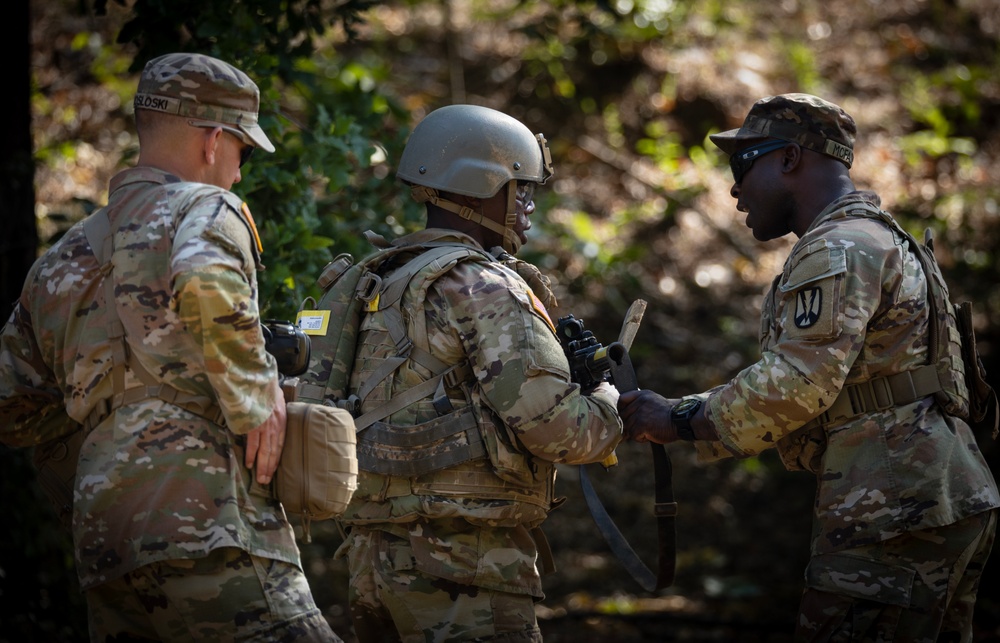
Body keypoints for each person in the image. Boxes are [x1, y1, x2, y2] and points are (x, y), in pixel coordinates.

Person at [618, 93, 999, 640]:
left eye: (741, 166)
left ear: (790, 159)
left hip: (892, 504)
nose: (734, 188)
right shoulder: (881, 237)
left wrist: (676, 419)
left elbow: (795, 385)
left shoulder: (839, 248)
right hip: (936, 493)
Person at [0, 52, 340, 641]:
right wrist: (259, 399)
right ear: (213, 140)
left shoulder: (56, 262)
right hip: (206, 512)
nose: (238, 174)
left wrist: (105, 453)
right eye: (243, 151)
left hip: (103, 536)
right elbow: (207, 281)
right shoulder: (205, 206)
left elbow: (13, 408)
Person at [330, 104, 623, 642]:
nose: (530, 208)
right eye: (522, 190)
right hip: (461, 563)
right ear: (480, 185)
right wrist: (607, 400)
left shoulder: (379, 278)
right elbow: (561, 430)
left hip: (372, 557)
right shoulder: (483, 286)